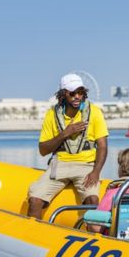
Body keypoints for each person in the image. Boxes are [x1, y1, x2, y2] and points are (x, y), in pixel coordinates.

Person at [27, 73, 109, 219]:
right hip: (59, 165)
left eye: (81, 92)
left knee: (92, 200)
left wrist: (96, 172)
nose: (77, 96)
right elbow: (43, 150)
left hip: (86, 165)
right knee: (34, 200)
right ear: (63, 94)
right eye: (72, 93)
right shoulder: (51, 114)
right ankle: (32, 236)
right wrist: (65, 133)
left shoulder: (94, 112)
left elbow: (102, 146)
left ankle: (96, 239)